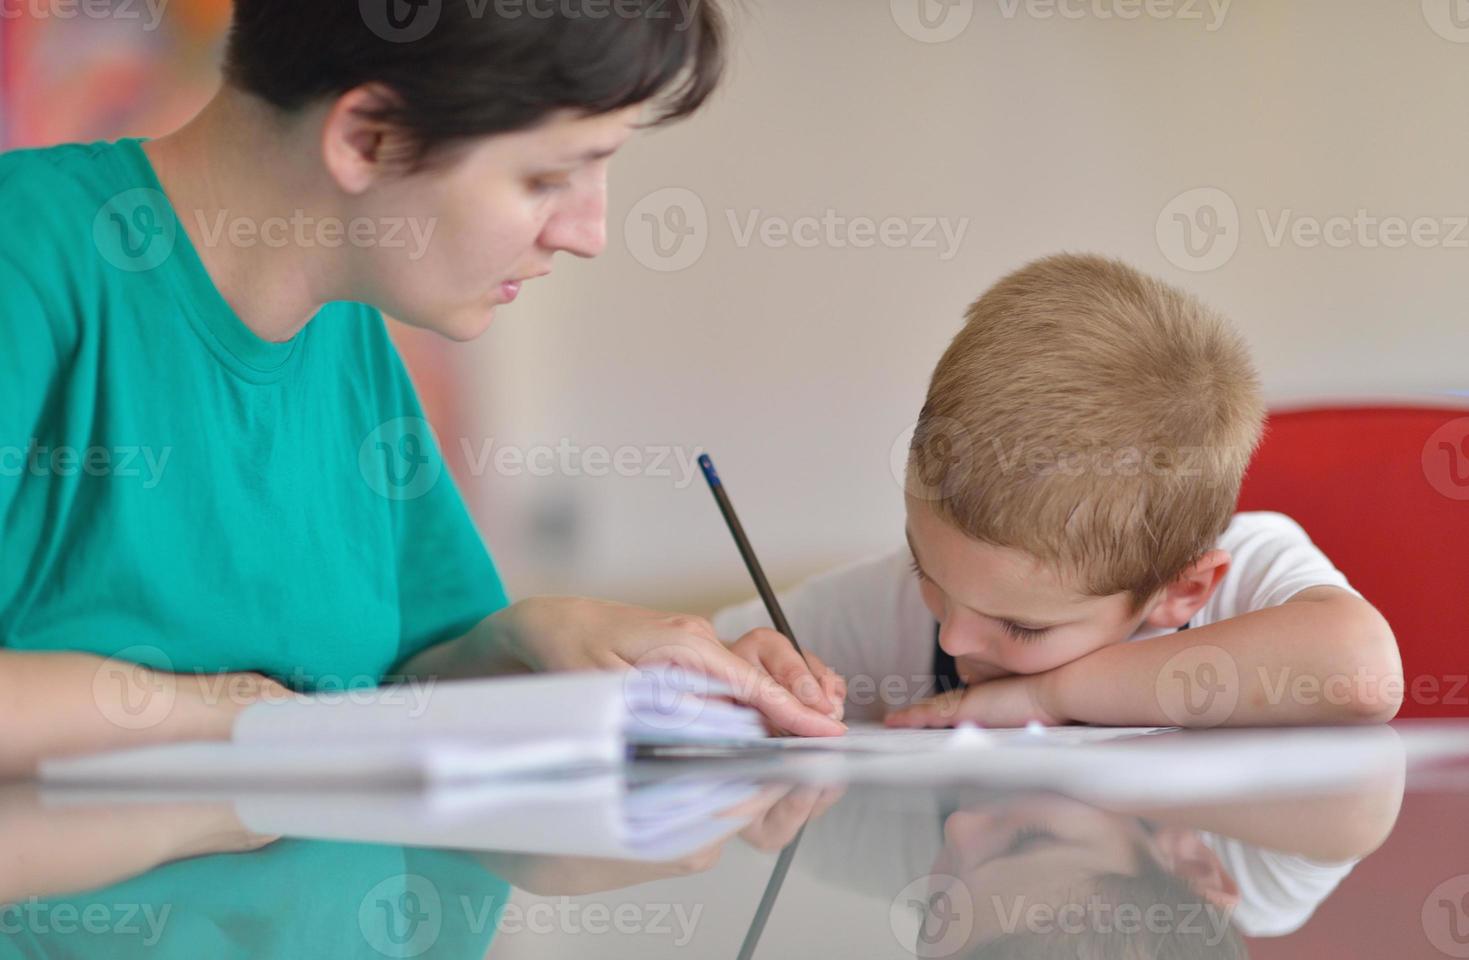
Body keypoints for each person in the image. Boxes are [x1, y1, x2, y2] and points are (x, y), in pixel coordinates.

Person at [0, 0, 846, 779]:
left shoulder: (344, 326)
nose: (588, 232)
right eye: (549, 178)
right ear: (369, 138)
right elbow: (320, 727)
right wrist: (235, 720)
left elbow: (391, 687)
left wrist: (525, 639)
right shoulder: (29, 266)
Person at [715, 254, 1403, 728]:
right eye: (928, 572)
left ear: (1180, 591)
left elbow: (1360, 672)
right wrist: (736, 683)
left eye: (1023, 626)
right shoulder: (909, 606)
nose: (953, 637)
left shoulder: (1239, 585)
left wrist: (1050, 695)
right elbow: (679, 670)